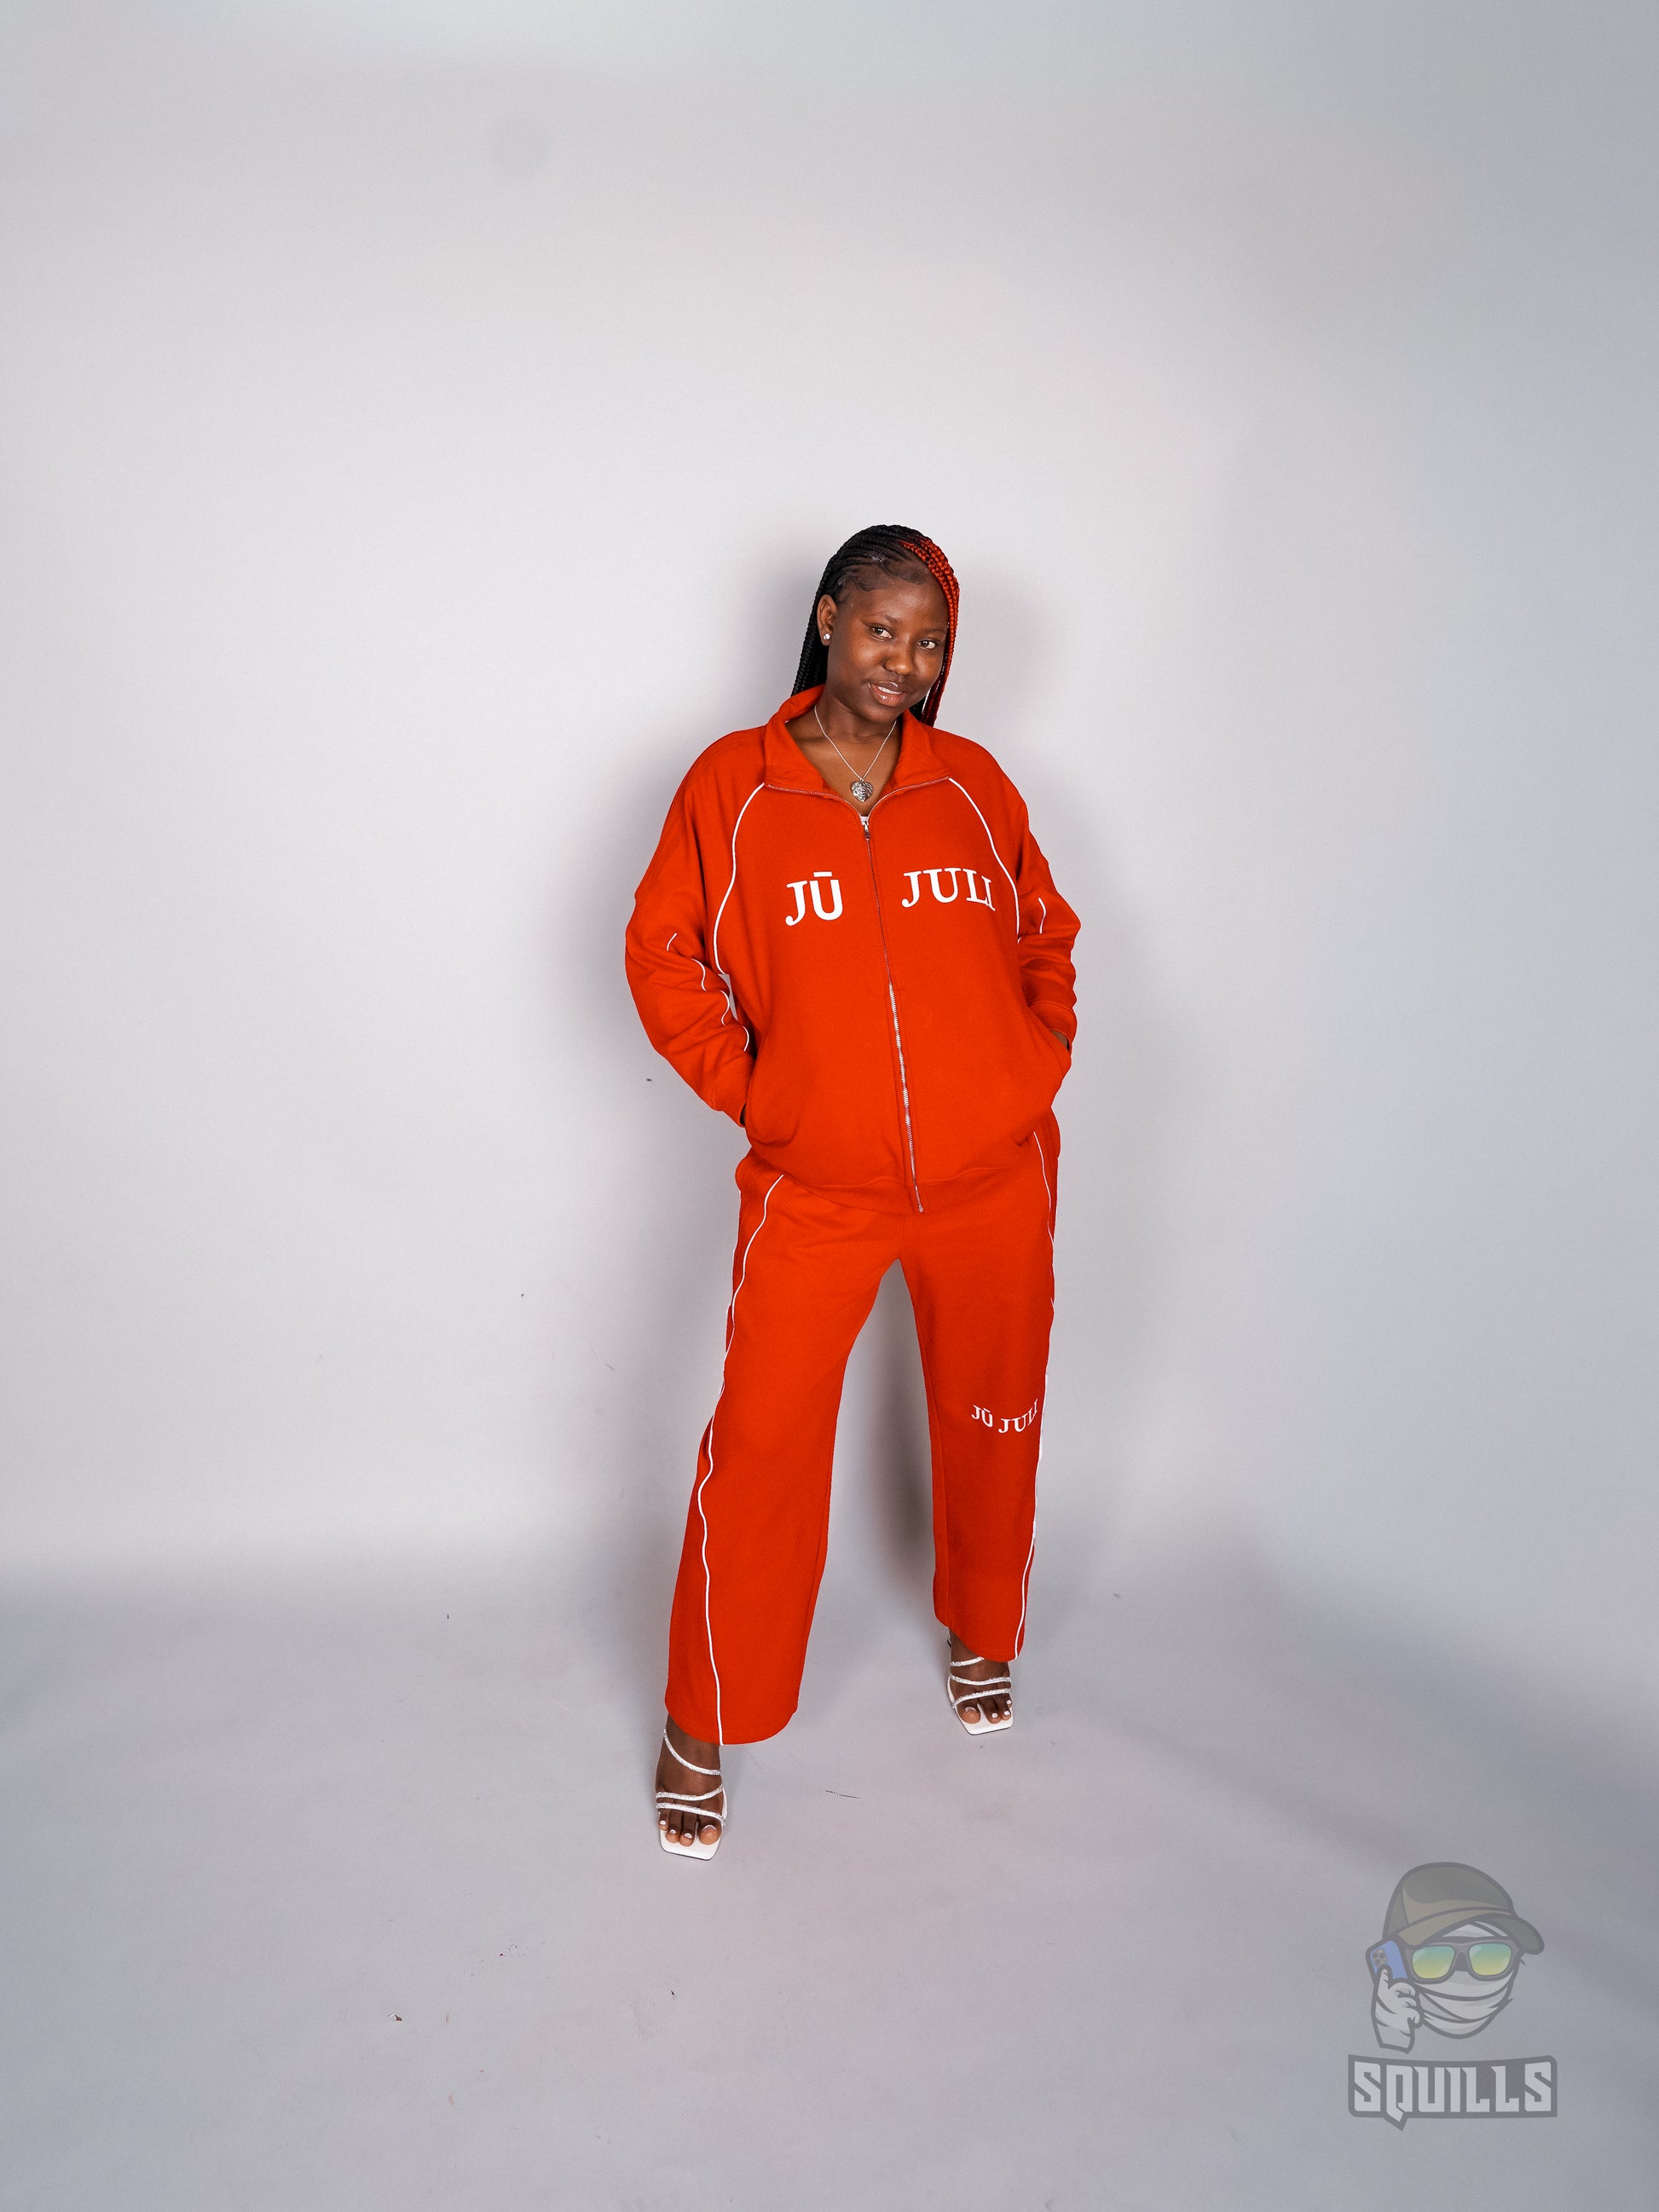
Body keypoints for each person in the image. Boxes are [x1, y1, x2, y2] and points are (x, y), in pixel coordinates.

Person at [626, 525, 1079, 1857]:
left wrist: (1026, 1066)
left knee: (995, 1412)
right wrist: (764, 1095)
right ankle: (702, 1716)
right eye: (883, 630)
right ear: (828, 619)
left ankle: (981, 1627)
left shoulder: (972, 785)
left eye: (929, 643)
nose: (906, 663)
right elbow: (661, 954)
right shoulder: (734, 785)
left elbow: (1042, 932)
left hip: (991, 1176)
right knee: (761, 1447)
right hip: (817, 1186)